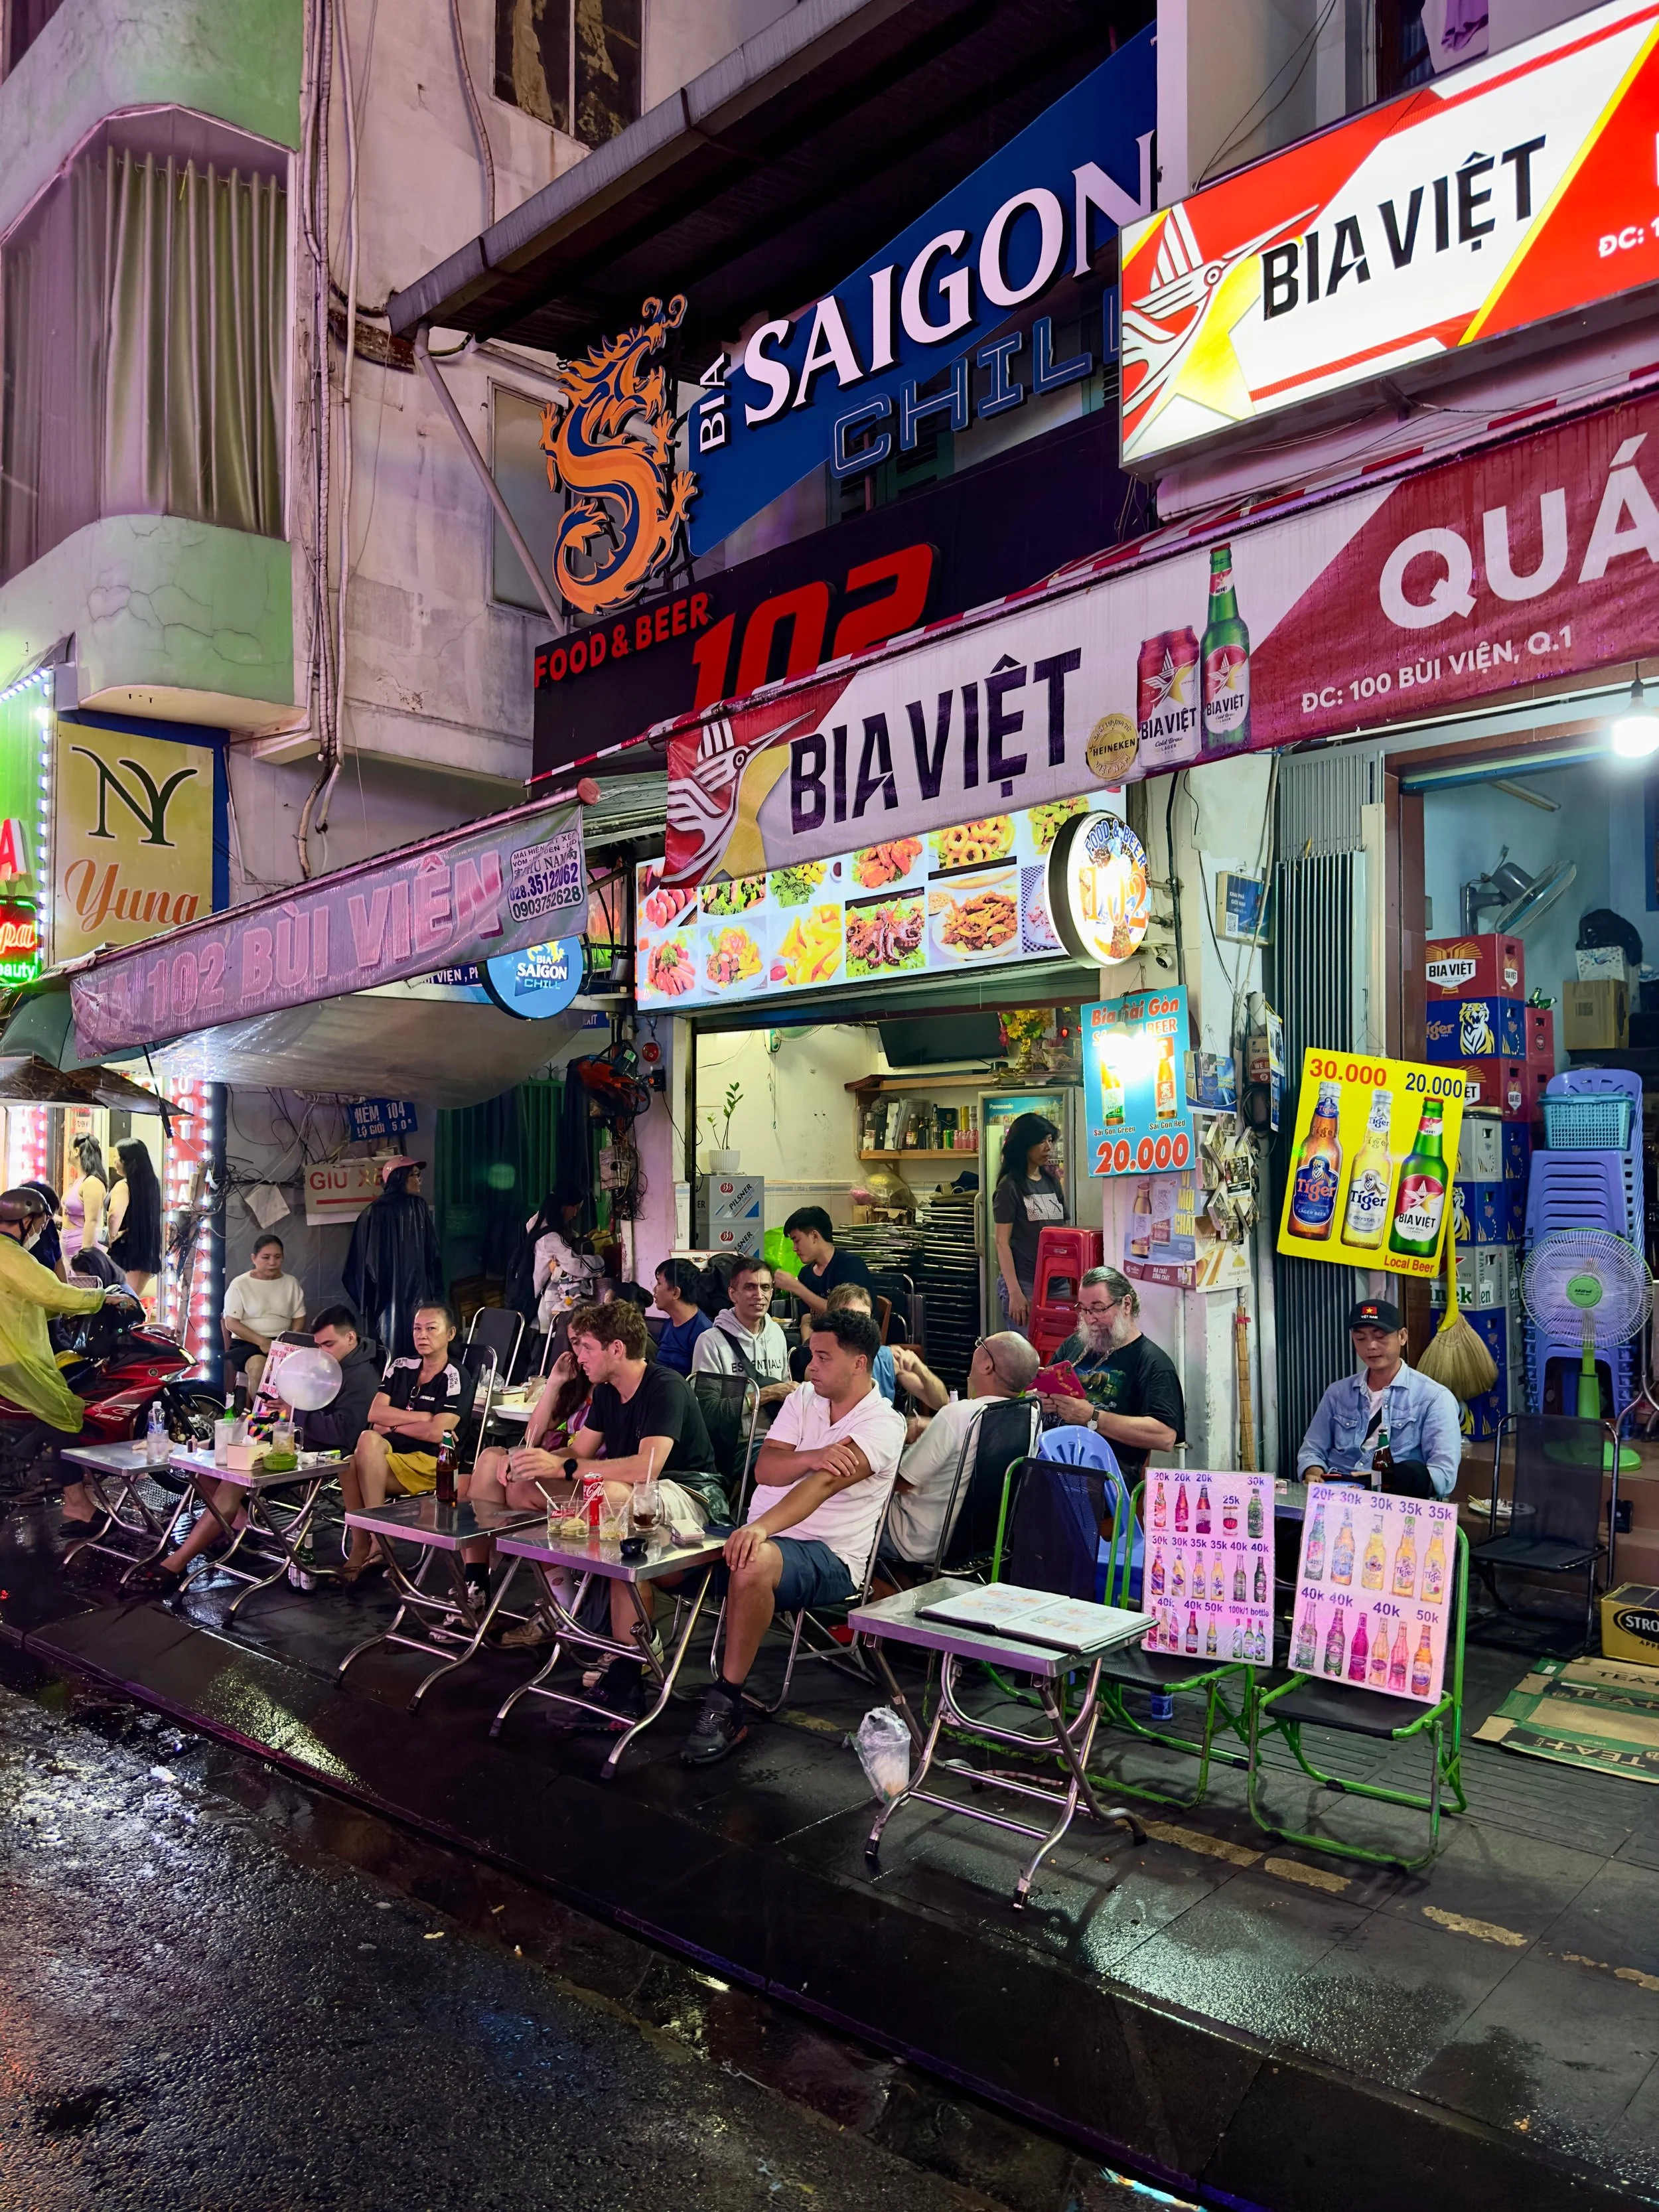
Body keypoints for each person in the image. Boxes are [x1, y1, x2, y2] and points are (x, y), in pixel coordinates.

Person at [476, 1301, 723, 1716]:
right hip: (626, 1495)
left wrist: (565, 1466)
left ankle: (637, 1642)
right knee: (521, 1490)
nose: (579, 1357)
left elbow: (647, 1467)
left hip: (690, 1494)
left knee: (609, 1493)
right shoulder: (609, 1393)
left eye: (587, 1347)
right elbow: (579, 1451)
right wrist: (531, 1461)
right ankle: (571, 1608)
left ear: (616, 1349)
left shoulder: (666, 1385)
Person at [683, 1307, 905, 1767]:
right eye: (812, 1355)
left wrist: (762, 1524)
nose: (810, 1366)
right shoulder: (805, 1397)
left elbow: (821, 1485)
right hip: (766, 1536)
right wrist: (813, 1455)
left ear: (859, 1363)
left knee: (754, 1560)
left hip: (831, 1556)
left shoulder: (882, 1423)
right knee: (657, 1548)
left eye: (823, 1357)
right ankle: (624, 1668)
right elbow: (766, 1467)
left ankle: (727, 1700)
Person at [143, 1305, 383, 1588]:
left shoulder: (362, 1377)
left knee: (232, 1478)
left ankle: (177, 1563)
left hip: (314, 1451)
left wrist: (294, 1412)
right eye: (318, 1345)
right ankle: (242, 1525)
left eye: (329, 1344)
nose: (323, 1352)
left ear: (352, 1338)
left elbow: (345, 1433)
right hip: (283, 1436)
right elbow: (297, 1410)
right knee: (206, 1467)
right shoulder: (322, 1366)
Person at [0, 1189, 128, 1534]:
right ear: (26, 1221)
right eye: (42, 1223)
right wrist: (103, 1297)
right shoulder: (9, 1255)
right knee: (65, 1412)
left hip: (13, 1352)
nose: (43, 1229)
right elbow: (52, 1291)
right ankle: (77, 1505)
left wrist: (72, 1304)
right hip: (13, 1358)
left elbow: (37, 1301)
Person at [339, 1300, 475, 1583]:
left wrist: (395, 1424)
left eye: (431, 1329)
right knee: (362, 1446)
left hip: (434, 1463)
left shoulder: (455, 1376)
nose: (422, 1335)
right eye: (417, 1328)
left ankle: (373, 1542)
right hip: (390, 1457)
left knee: (356, 1459)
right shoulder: (401, 1366)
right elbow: (374, 1415)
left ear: (450, 1334)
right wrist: (422, 1418)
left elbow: (439, 1434)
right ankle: (372, 1543)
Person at [882, 1330, 1041, 1568]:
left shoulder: (958, 1415)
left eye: (980, 1344)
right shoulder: (1030, 1415)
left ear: (987, 1366)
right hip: (983, 1543)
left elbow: (902, 1482)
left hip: (918, 1541)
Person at [1298, 1299, 1461, 1500]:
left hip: (1395, 1503)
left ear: (1402, 1336)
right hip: (1336, 1498)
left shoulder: (1434, 1398)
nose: (1371, 1346)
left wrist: (1389, 1479)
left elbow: (1443, 1476)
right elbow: (1312, 1450)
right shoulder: (1337, 1393)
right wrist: (1313, 1473)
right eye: (1360, 1338)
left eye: (1380, 1337)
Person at [1040, 1266, 1185, 1486]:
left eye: (1098, 1309)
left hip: (1105, 1473)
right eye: (1084, 1309)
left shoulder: (1153, 1363)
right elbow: (1044, 1387)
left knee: (1042, 1494)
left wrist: (1093, 1417)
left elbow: (1165, 1436)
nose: (1089, 1319)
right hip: (1052, 1456)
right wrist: (1040, 1399)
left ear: (1126, 1305)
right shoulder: (1075, 1344)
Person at [342, 1155, 445, 1361]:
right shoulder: (418, 1207)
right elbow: (432, 1255)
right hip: (420, 1297)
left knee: (389, 1356)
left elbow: (357, 1268)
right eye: (415, 1175)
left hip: (385, 1305)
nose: (419, 1180)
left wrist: (372, 1299)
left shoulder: (372, 1212)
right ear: (399, 1178)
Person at [692, 1252, 794, 1425]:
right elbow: (708, 1409)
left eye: (766, 1287)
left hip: (781, 1434)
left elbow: (785, 1388)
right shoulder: (712, 1342)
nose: (759, 1295)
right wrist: (768, 1394)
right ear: (733, 1294)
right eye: (750, 1287)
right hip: (739, 1443)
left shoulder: (776, 1333)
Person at [820, 1282, 948, 1413]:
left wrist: (921, 1369)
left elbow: (941, 1403)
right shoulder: (821, 1360)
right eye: (852, 1318)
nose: (861, 1326)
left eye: (865, 1318)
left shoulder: (887, 1359)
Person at [991, 1112, 1066, 1330]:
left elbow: (1062, 1233)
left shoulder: (1052, 1183)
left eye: (1050, 1140)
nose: (1048, 1147)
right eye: (1041, 1141)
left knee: (1056, 1356)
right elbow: (1001, 1242)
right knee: (1027, 1356)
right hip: (1024, 1283)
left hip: (1056, 1283)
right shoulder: (1010, 1186)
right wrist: (1015, 1293)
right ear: (1025, 1143)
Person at [221, 1234, 307, 1403]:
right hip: (248, 1344)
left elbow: (299, 1317)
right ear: (254, 1258)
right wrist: (262, 1342)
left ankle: (292, 1417)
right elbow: (231, 1323)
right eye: (266, 1258)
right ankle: (265, 1417)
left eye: (277, 1257)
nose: (272, 1262)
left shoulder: (291, 1283)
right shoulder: (240, 1284)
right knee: (259, 1367)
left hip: (282, 1343)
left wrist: (289, 1342)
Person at [771, 1207, 872, 1318]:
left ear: (814, 1236)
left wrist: (797, 1287)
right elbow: (806, 1320)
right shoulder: (806, 1273)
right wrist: (808, 1337)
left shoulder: (851, 1266)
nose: (794, 1248)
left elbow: (844, 1316)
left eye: (797, 1241)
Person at [105, 1138, 163, 1298]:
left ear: (127, 1161)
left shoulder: (124, 1186)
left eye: (116, 1157)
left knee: (121, 1301)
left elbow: (114, 1216)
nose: (114, 1161)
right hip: (146, 1251)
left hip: (125, 1252)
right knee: (133, 1299)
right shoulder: (153, 1185)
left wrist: (112, 1235)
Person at [653, 1258, 712, 1375]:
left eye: (659, 1283)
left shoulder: (704, 1333)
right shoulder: (668, 1324)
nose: (654, 1289)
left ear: (676, 1292)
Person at [62, 1136, 107, 1262]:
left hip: (81, 1252)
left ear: (76, 1151)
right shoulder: (80, 1181)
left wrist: (84, 1255)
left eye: (68, 1148)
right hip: (72, 1251)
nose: (67, 1152)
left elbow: (91, 1221)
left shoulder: (92, 1182)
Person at [19, 1183, 65, 1280]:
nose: (44, 1227)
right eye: (44, 1218)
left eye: (49, 1219)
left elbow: (58, 1261)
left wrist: (65, 1290)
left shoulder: (49, 1227)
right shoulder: (14, 1235)